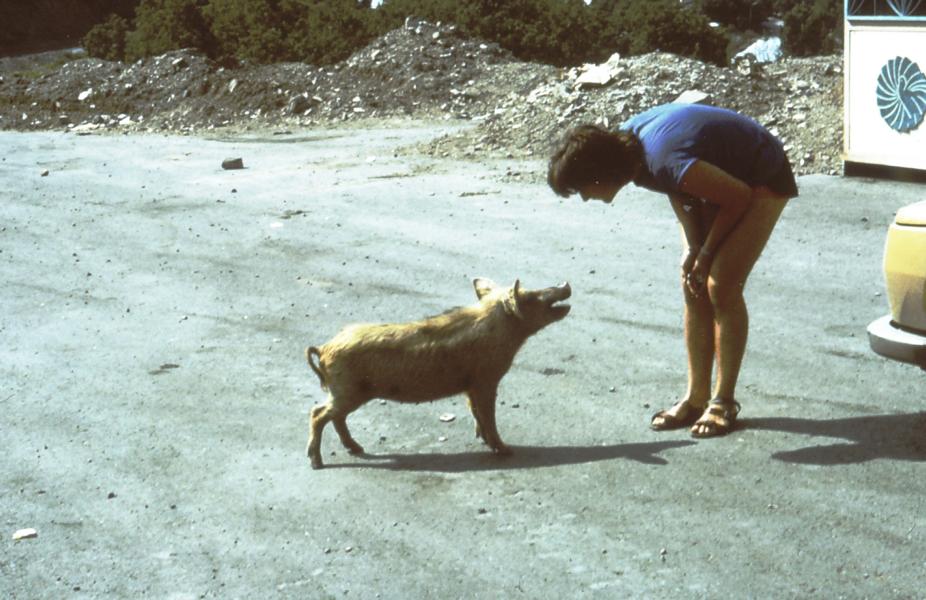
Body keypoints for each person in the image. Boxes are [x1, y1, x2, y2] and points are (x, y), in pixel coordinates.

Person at [547, 103, 798, 438]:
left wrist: (707, 252)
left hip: (760, 175)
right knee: (693, 284)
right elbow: (678, 189)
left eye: (581, 189)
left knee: (721, 285)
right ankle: (696, 399)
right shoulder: (631, 153)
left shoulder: (659, 158)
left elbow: (736, 197)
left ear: (600, 172)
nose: (583, 199)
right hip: (722, 177)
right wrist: (692, 247)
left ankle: (723, 402)